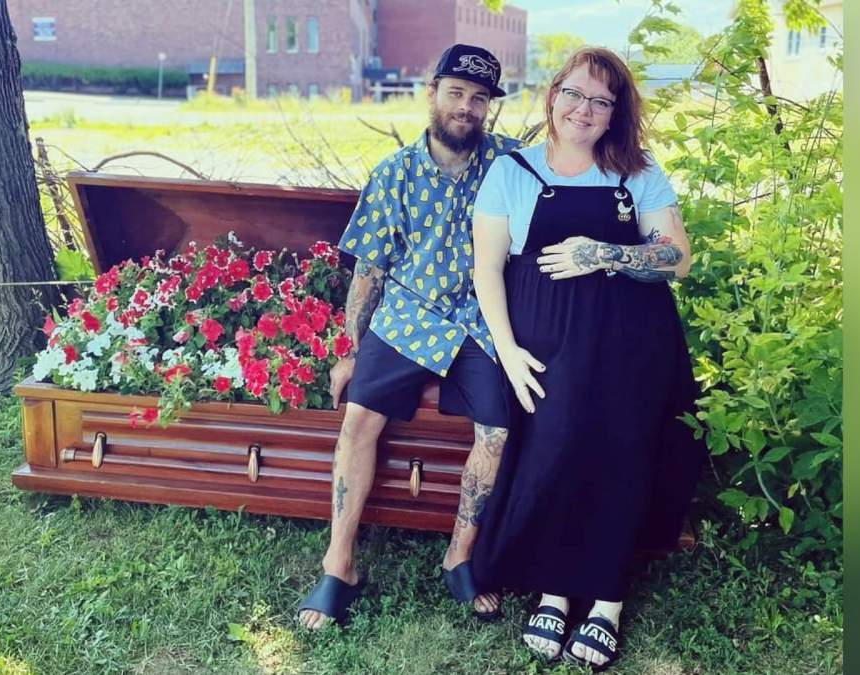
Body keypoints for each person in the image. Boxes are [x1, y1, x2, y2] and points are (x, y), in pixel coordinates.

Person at [468, 47, 706, 670]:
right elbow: (487, 267)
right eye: (575, 93)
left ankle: (606, 600)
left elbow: (677, 259)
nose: (584, 108)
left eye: (601, 100)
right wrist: (508, 352)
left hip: (633, 347)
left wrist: (605, 252)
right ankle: (553, 587)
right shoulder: (511, 172)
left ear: (614, 114)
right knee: (557, 450)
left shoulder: (637, 172)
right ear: (552, 96)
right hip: (544, 349)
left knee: (623, 456)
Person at [296, 44, 522, 630]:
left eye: (479, 99)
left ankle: (459, 557)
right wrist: (350, 351)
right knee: (359, 419)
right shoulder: (393, 173)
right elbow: (368, 271)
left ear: (488, 108)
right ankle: (338, 564)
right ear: (432, 92)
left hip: (478, 320)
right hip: (407, 315)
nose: (466, 108)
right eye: (456, 93)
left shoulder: (511, 165)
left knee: (497, 430)